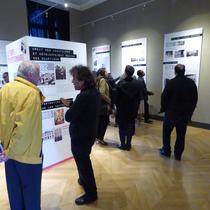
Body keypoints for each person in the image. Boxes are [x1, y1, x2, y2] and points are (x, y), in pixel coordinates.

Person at [0, 61, 45, 210]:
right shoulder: (32, 94)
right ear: (31, 74)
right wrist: (9, 151)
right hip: (27, 155)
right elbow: (24, 131)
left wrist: (4, 149)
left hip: (7, 153)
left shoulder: (5, 89)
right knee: (31, 194)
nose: (40, 77)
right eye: (38, 74)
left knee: (15, 193)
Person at [60, 65, 100, 205]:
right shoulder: (93, 91)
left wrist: (70, 107)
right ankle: (83, 180)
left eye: (74, 79)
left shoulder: (84, 96)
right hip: (88, 134)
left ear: (83, 80)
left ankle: (91, 193)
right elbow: (83, 110)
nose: (72, 81)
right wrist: (72, 104)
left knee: (84, 163)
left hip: (81, 137)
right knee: (83, 160)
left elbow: (69, 117)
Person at [159, 64, 198, 161]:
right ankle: (178, 154)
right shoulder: (191, 83)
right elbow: (194, 99)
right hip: (184, 114)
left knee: (166, 133)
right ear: (184, 71)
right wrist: (190, 113)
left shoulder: (171, 83)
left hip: (171, 113)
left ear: (175, 71)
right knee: (181, 135)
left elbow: (164, 97)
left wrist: (164, 108)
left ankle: (166, 151)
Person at [115, 65, 142, 150]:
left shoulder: (120, 83)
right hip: (132, 109)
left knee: (122, 127)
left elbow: (116, 98)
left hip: (122, 109)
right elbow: (139, 97)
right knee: (130, 126)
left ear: (125, 72)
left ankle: (123, 144)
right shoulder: (137, 83)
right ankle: (128, 144)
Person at [95, 68, 111, 145]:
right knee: (104, 122)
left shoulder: (97, 79)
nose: (107, 73)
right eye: (106, 71)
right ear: (103, 72)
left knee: (100, 122)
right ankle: (100, 139)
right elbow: (102, 93)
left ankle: (98, 138)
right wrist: (109, 100)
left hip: (98, 105)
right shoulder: (103, 80)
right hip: (103, 105)